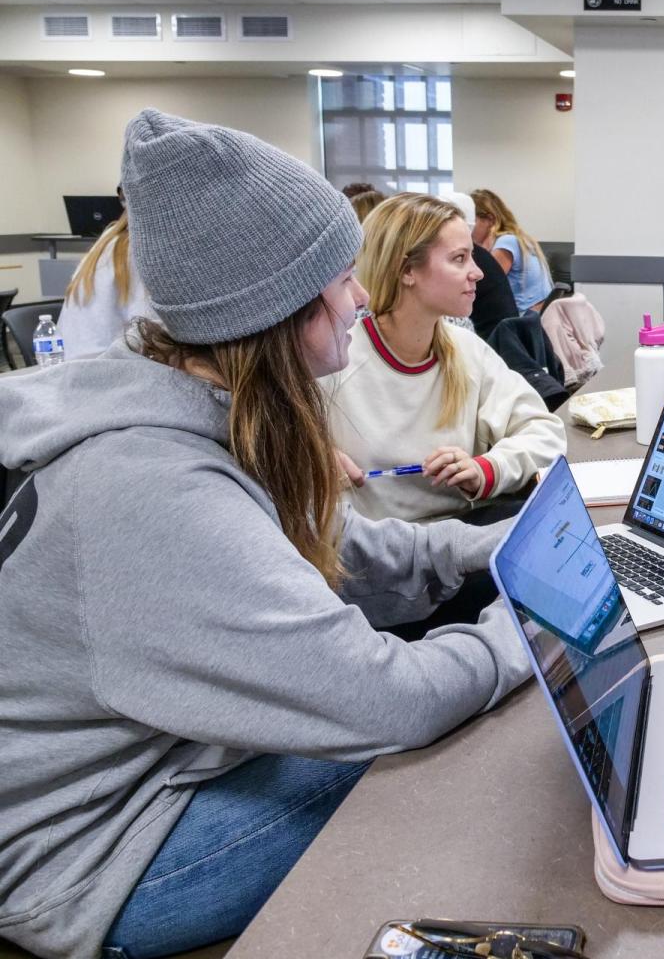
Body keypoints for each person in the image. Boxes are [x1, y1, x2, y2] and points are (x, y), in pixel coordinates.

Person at [0, 110, 532, 959]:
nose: (361, 296)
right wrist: (532, 634)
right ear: (278, 304)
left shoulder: (204, 416)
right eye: (340, 276)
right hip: (90, 858)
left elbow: (355, 552)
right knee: (437, 760)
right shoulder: (147, 485)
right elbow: (388, 699)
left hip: (170, 768)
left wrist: (519, 549)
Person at [324, 192, 566, 525]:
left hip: (458, 547)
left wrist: (487, 469)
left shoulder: (467, 351)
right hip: (376, 557)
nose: (478, 272)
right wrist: (309, 458)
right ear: (408, 270)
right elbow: (264, 445)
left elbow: (546, 433)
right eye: (459, 259)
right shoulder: (336, 360)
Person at [57, 192, 158, 359]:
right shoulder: (138, 250)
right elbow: (154, 328)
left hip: (73, 365)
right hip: (106, 368)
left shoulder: (107, 242)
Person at [439, 190, 519, 341]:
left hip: (495, 342)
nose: (478, 273)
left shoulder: (496, 248)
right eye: (459, 258)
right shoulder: (482, 254)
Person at [471, 187, 553, 311]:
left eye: (473, 221)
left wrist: (481, 251)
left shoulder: (506, 242)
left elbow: (482, 287)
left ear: (490, 219)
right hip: (531, 316)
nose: (468, 227)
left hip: (521, 319)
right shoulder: (517, 238)